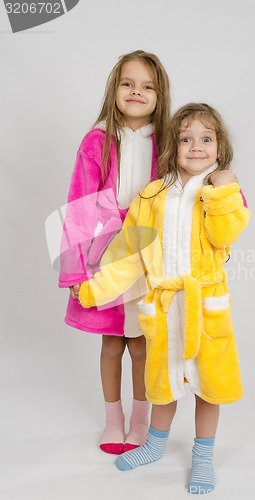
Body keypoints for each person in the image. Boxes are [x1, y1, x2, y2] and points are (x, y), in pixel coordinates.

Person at [78, 103, 251, 494]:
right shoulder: (152, 194)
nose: (196, 147)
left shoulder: (221, 193)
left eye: (207, 139)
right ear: (172, 147)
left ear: (220, 148)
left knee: (208, 386)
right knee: (164, 382)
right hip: (164, 305)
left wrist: (224, 187)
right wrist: (95, 288)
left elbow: (226, 236)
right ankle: (155, 445)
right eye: (186, 139)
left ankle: (203, 457)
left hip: (205, 306)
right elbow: (129, 254)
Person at [58, 50, 171, 455]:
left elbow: (198, 182)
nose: (136, 91)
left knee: (142, 344)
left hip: (148, 254)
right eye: (128, 83)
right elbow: (79, 205)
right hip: (104, 256)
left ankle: (141, 421)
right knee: (111, 343)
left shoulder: (171, 140)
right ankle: (113, 420)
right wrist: (75, 272)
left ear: (160, 95)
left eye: (147, 86)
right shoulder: (96, 141)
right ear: (114, 89)